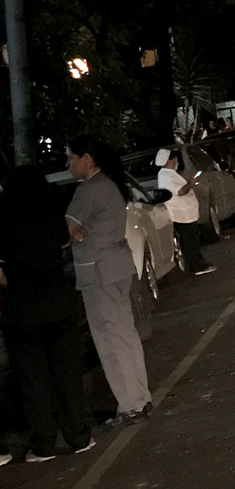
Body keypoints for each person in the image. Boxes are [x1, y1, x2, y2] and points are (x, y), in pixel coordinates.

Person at [0, 166, 95, 462]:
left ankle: (43, 443)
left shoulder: (4, 220)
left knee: (33, 379)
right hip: (59, 302)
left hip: (23, 309)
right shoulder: (52, 212)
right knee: (67, 373)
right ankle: (78, 436)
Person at [65, 135, 152, 428]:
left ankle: (129, 405)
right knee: (125, 335)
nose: (69, 164)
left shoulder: (88, 190)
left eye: (71, 158)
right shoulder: (111, 185)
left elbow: (68, 228)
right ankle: (140, 397)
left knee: (110, 340)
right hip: (117, 266)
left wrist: (77, 235)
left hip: (98, 271)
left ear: (86, 159)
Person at [155, 149, 217, 276]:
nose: (176, 162)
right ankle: (197, 266)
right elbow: (180, 192)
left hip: (186, 214)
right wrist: (191, 183)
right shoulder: (165, 175)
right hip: (181, 215)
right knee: (190, 242)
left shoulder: (170, 174)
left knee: (192, 240)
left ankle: (198, 263)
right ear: (169, 160)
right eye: (175, 160)